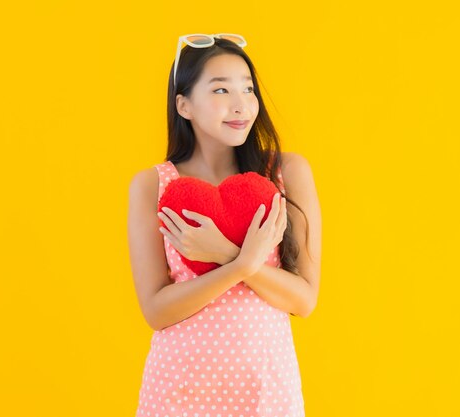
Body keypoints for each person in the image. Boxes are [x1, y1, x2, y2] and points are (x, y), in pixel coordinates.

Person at [128, 33, 322, 417]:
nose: (241, 105)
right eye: (220, 90)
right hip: (178, 391)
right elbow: (156, 310)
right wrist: (239, 266)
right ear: (184, 105)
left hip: (266, 391)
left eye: (248, 89)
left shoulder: (286, 173)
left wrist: (228, 256)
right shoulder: (153, 184)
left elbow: (304, 299)